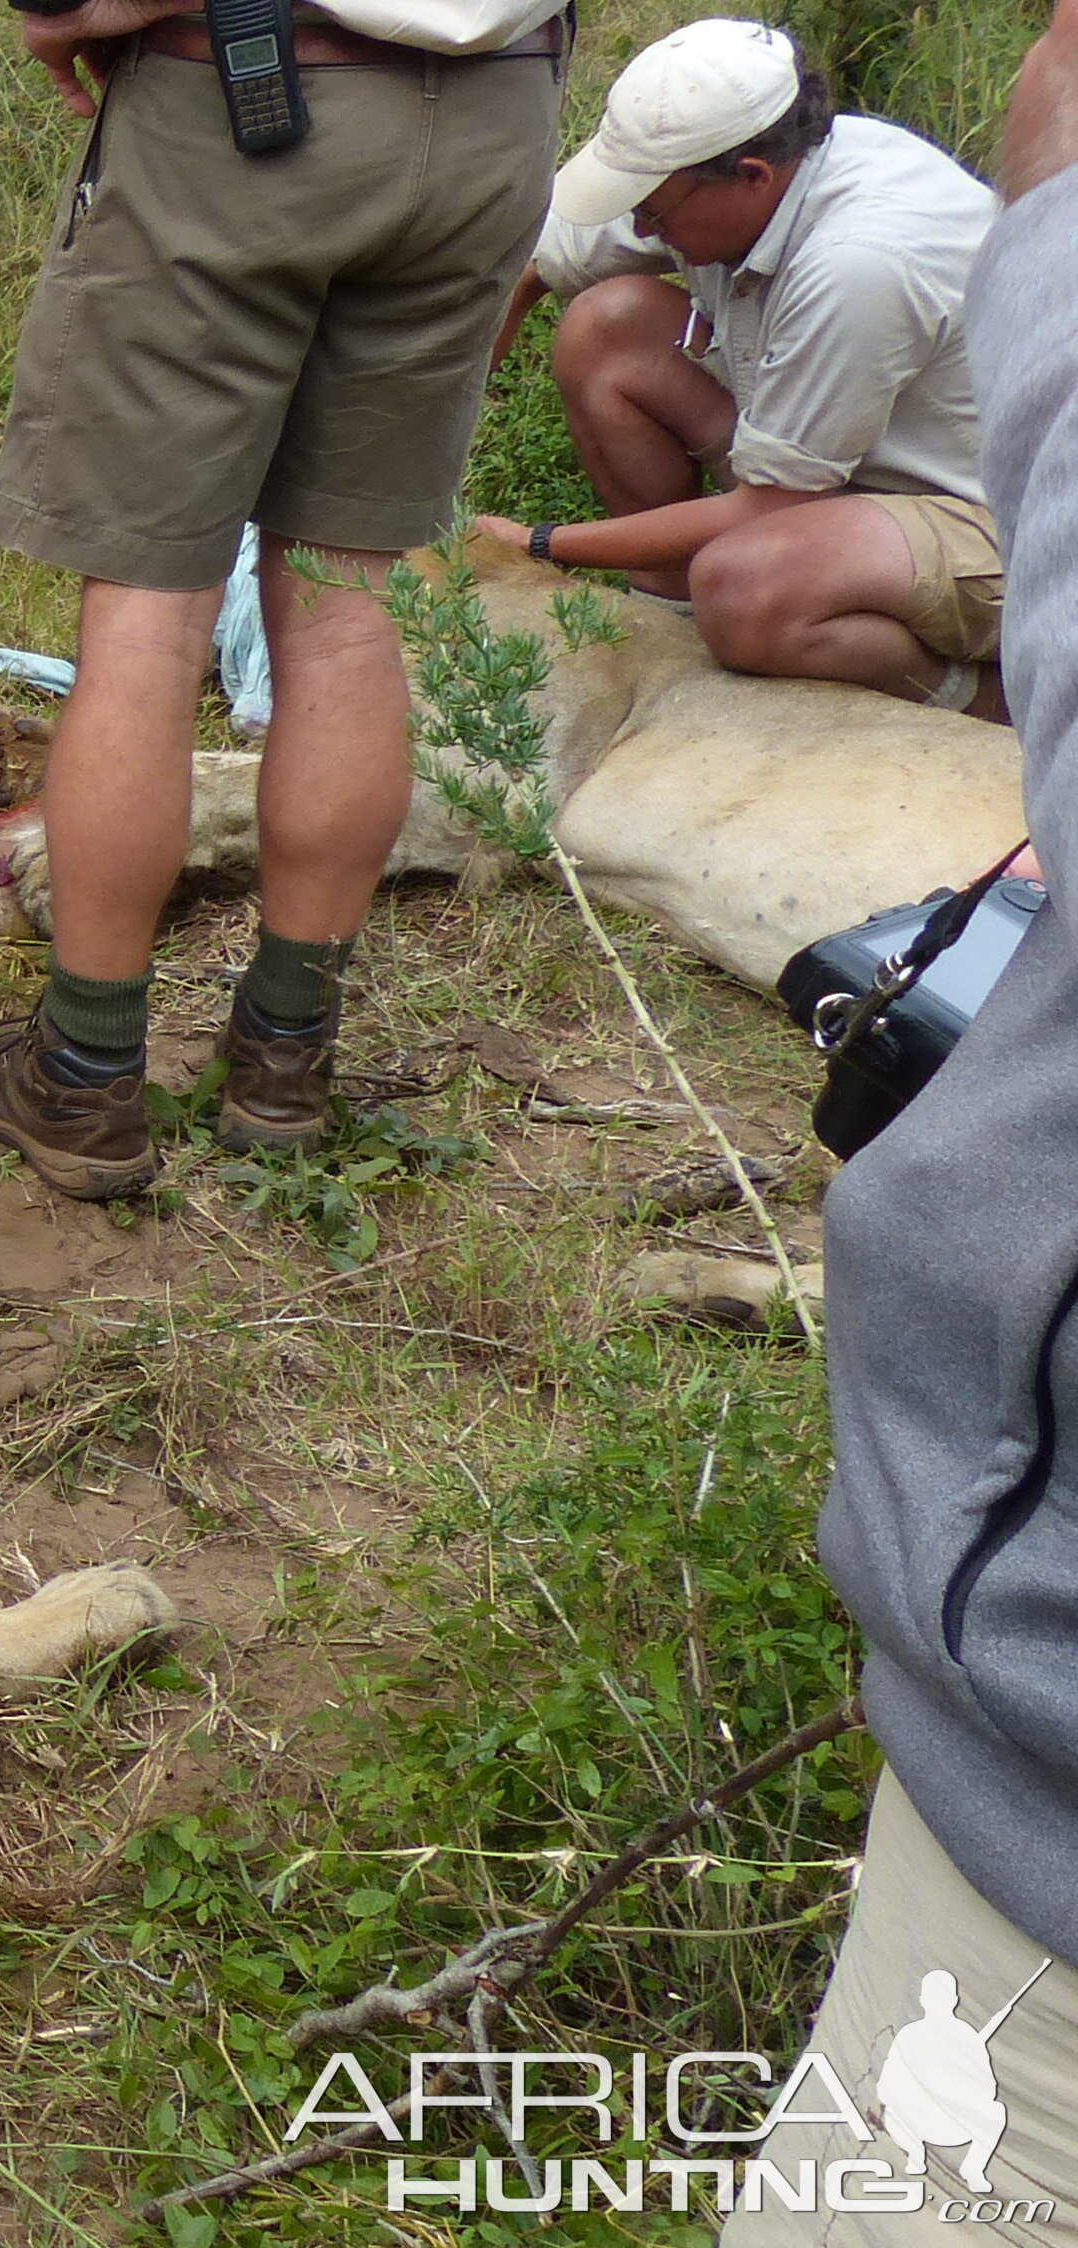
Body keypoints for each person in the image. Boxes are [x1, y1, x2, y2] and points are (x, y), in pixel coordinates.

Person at [731, 9, 1078, 2234]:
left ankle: (971, 661)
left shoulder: (863, 256)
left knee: (755, 574)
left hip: (1040, 1818)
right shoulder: (728, 247)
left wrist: (561, 534)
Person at [0, 0, 565, 1202]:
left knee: (148, 604)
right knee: (348, 595)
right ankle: (285, 1061)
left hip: (256, 92)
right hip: (495, 109)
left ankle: (84, 1070)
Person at [471, 20, 1005, 720]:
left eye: (653, 211)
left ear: (752, 177)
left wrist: (539, 544)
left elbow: (776, 508)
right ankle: (663, 618)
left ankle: (991, 704)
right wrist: (429, 452)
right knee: (609, 330)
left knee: (746, 588)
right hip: (836, 478)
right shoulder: (744, 161)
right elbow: (533, 263)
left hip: (994, 521)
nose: (640, 230)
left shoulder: (862, 260)